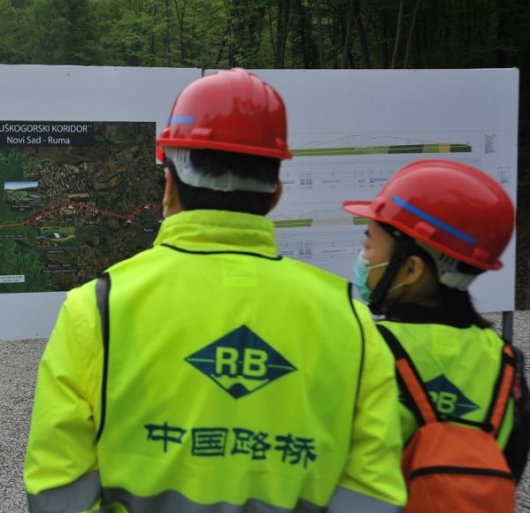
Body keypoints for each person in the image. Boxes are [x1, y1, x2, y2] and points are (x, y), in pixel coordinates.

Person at [24, 68, 406, 512]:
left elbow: (58, 491)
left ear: (169, 186)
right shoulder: (350, 322)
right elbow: (373, 495)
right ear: (276, 194)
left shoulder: (97, 309)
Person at [342, 160, 530, 496]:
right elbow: (510, 468)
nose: (363, 258)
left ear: (411, 270)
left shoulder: (364, 347)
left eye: (369, 244)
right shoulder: (506, 363)